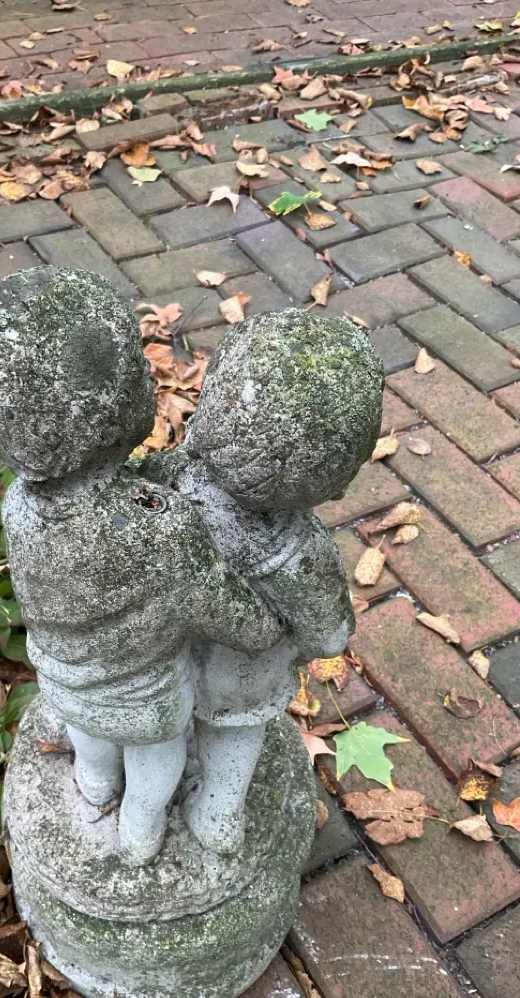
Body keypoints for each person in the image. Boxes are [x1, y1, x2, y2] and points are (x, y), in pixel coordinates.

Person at [0, 266, 284, 867]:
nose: (151, 375)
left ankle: (96, 784)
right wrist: (269, 627)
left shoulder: (18, 507)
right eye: (138, 367)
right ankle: (139, 830)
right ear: (118, 404)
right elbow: (231, 615)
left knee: (92, 742)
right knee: (158, 762)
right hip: (147, 700)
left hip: (65, 679)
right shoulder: (159, 526)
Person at [140, 311, 384, 854]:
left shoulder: (169, 481)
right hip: (246, 673)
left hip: (165, 656)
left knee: (167, 727)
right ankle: (221, 812)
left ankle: (160, 794)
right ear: (337, 477)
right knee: (235, 734)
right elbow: (329, 635)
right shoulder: (301, 550)